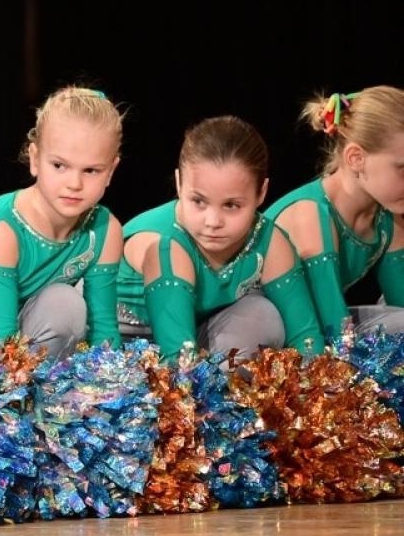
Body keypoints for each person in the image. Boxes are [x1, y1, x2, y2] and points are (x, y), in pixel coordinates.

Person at [116, 115, 321, 361]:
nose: (213, 221)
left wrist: (317, 391)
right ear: (180, 183)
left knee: (262, 315)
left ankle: (219, 388)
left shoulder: (267, 239)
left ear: (261, 193)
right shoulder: (165, 246)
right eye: (199, 201)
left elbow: (306, 336)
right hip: (115, 348)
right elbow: (177, 358)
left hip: (190, 340)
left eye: (231, 205)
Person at [0, 86, 125, 359]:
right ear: (35, 159)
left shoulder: (105, 229)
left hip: (26, 335)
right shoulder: (2, 230)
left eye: (91, 170)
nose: (74, 184)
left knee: (66, 304)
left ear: (111, 171)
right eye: (59, 166)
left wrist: (112, 389)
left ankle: (44, 393)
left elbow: (104, 330)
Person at [266, 87, 404, 339]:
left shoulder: (386, 217)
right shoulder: (311, 215)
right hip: (258, 335)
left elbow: (400, 303)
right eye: (402, 168)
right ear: (356, 158)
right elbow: (334, 330)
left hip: (320, 328)